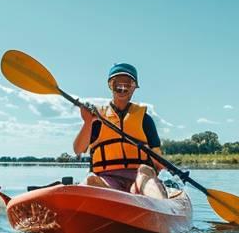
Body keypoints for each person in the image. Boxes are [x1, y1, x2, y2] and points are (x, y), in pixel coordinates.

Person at [72, 62, 168, 198]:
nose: (122, 89)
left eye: (127, 85)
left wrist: (164, 167)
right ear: (110, 86)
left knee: (145, 170)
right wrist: (88, 122)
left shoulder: (145, 120)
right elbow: (78, 149)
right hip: (108, 181)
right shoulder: (97, 119)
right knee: (91, 180)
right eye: (117, 85)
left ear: (134, 88)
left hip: (139, 180)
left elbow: (158, 161)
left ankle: (160, 206)